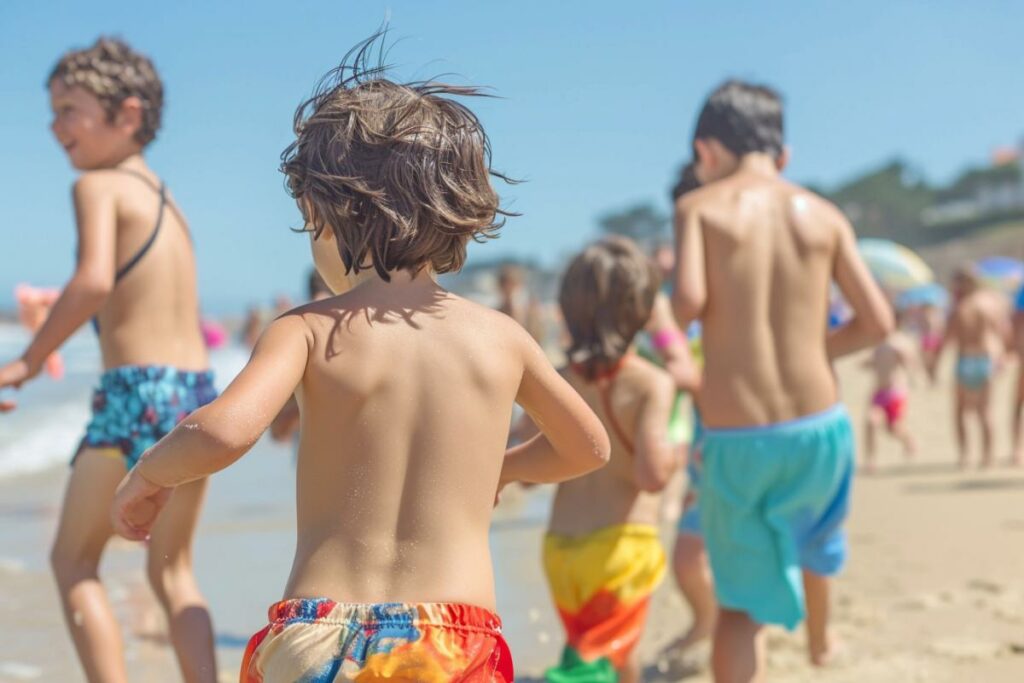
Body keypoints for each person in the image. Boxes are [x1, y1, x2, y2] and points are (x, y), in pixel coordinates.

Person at [111, 33, 610, 681]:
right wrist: (503, 468)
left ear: (324, 213)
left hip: (316, 634)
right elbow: (587, 447)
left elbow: (221, 429)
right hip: (452, 642)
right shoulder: (501, 336)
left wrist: (148, 474)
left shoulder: (309, 330)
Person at [0, 37, 219, 682]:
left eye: (70, 109)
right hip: (196, 394)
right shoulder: (167, 202)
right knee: (174, 571)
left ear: (125, 115)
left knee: (74, 562)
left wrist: (28, 362)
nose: (54, 125)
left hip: (135, 392)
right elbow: (135, 297)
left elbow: (95, 280)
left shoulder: (96, 187)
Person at [672, 80, 892, 682]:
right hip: (821, 426)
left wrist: (676, 348)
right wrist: (812, 350)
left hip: (739, 437)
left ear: (705, 153)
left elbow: (687, 299)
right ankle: (823, 639)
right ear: (784, 156)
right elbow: (877, 322)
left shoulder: (698, 208)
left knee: (739, 609)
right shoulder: (825, 215)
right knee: (817, 537)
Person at [521, 236, 678, 683]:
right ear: (644, 311)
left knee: (603, 652)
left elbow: (523, 469)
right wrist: (675, 457)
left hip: (561, 553)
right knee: (599, 661)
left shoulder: (557, 382)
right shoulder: (651, 383)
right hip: (621, 551)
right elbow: (650, 477)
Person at [939, 265, 1010, 468]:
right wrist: (1003, 356)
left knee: (961, 411)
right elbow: (1002, 333)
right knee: (985, 411)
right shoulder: (992, 302)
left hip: (966, 360)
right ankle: (988, 457)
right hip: (987, 359)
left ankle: (965, 456)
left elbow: (948, 337)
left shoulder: (961, 305)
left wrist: (934, 364)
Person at [862, 325, 920, 472]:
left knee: (894, 429)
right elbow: (875, 362)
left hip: (895, 393)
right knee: (871, 422)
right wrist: (867, 364)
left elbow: (909, 359)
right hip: (878, 392)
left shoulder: (897, 342)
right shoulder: (878, 343)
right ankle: (871, 460)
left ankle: (908, 441)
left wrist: (912, 376)